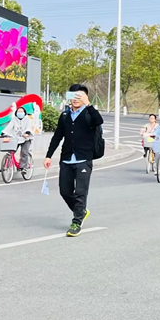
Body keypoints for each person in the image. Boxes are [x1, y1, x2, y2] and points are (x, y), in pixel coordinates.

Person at [44, 84, 103, 237]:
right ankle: (81, 211)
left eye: (79, 96)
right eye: (73, 96)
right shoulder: (65, 115)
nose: (75, 99)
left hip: (84, 158)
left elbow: (98, 121)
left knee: (80, 193)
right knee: (64, 191)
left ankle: (76, 222)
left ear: (85, 97)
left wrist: (88, 104)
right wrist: (49, 155)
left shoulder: (89, 113)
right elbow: (57, 136)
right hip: (66, 159)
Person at [5, 106, 35, 171]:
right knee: (10, 151)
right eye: (18, 111)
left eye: (21, 112)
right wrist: (2, 134)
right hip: (16, 138)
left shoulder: (28, 120)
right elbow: (8, 127)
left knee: (24, 152)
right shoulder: (14, 120)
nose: (20, 113)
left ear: (24, 113)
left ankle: (24, 167)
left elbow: (29, 127)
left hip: (26, 138)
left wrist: (27, 133)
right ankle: (5, 166)